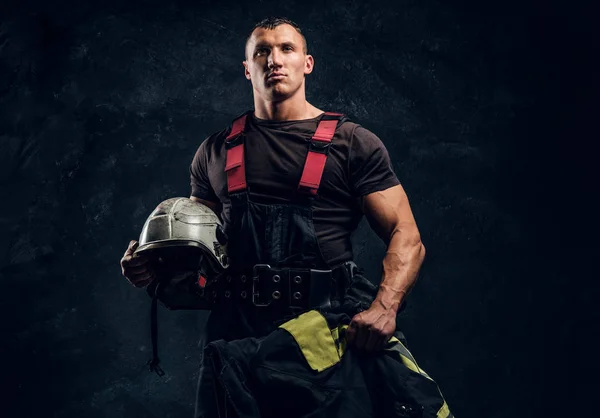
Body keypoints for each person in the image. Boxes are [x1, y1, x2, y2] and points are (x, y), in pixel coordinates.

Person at [120, 17, 450, 418]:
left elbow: (407, 235)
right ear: (247, 68)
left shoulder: (353, 143)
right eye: (262, 51)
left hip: (322, 331)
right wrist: (151, 266)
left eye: (286, 49)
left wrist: (385, 306)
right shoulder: (214, 151)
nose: (274, 59)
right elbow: (202, 253)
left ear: (307, 63)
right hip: (236, 332)